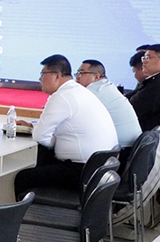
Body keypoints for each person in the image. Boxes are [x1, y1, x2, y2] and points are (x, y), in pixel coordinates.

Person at [14, 55, 119, 199]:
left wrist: (50, 139)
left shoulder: (62, 96)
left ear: (56, 75)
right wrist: (39, 129)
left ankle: (26, 211)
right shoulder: (78, 90)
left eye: (43, 74)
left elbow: (40, 136)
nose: (40, 78)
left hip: (82, 171)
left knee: (23, 177)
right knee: (43, 158)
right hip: (99, 167)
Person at [77, 59, 144, 148]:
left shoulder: (94, 91)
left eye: (81, 73)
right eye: (77, 73)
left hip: (122, 148)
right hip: (133, 145)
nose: (77, 77)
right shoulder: (106, 86)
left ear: (96, 76)